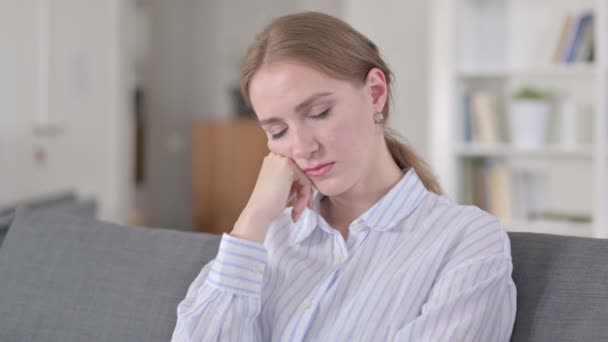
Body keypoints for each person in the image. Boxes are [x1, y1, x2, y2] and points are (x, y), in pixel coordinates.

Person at [171, 11, 516, 341]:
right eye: (277, 131)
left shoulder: (466, 240)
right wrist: (253, 218)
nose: (302, 147)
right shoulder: (266, 238)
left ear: (375, 93)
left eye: (319, 113)